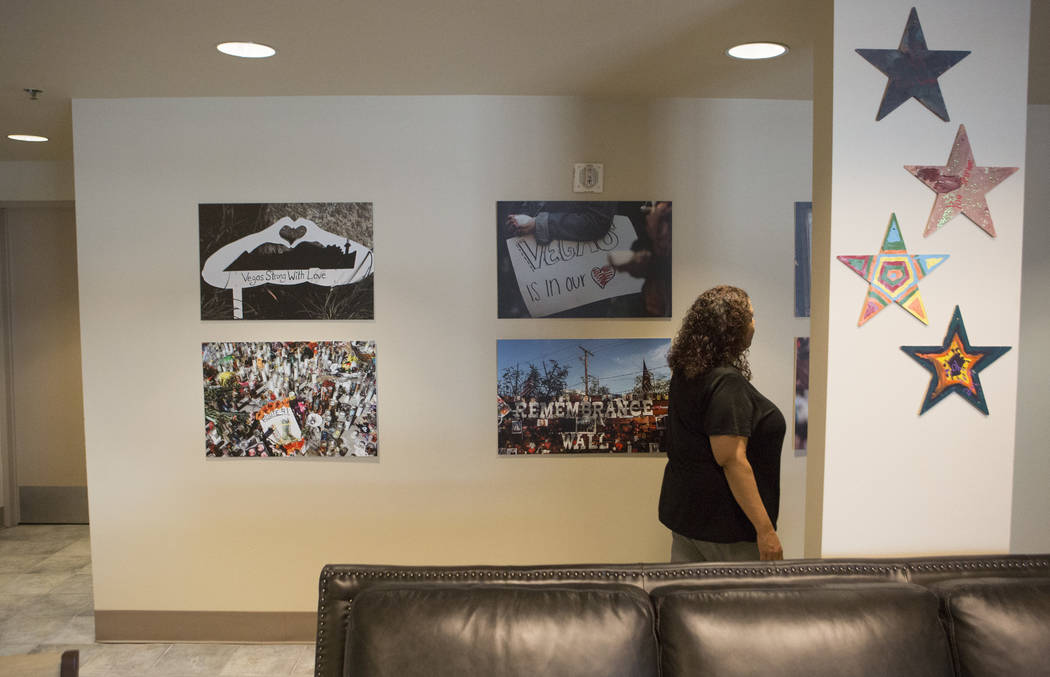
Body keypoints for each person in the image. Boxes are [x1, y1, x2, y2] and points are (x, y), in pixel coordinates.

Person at [658, 285, 786, 561]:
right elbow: (732, 460)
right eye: (751, 317)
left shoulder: (686, 373)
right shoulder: (726, 382)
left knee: (687, 602)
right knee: (740, 605)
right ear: (733, 328)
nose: (754, 324)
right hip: (726, 530)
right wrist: (765, 531)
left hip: (687, 522)